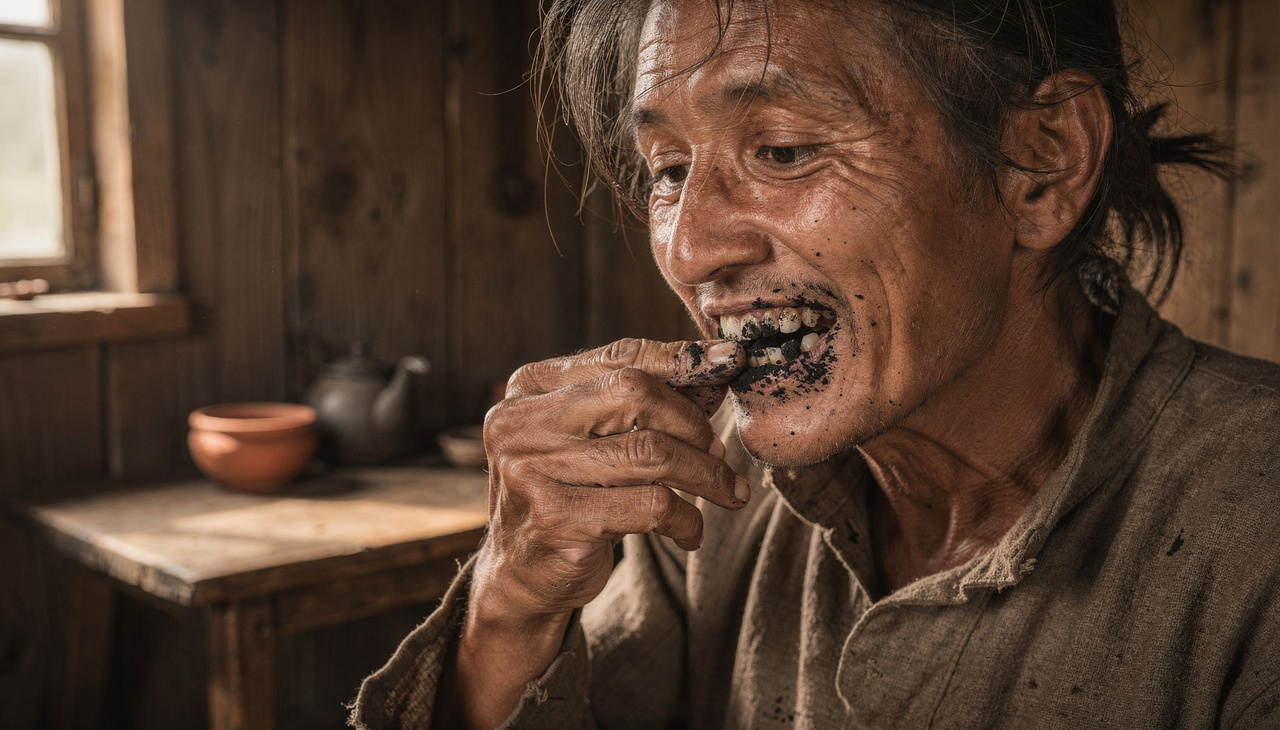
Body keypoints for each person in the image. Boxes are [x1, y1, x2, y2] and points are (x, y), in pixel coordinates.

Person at [351, 1, 1279, 727]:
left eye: (784, 150)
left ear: (1041, 165)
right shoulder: (705, 489)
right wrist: (510, 608)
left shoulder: (1252, 537)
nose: (691, 249)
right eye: (667, 169)